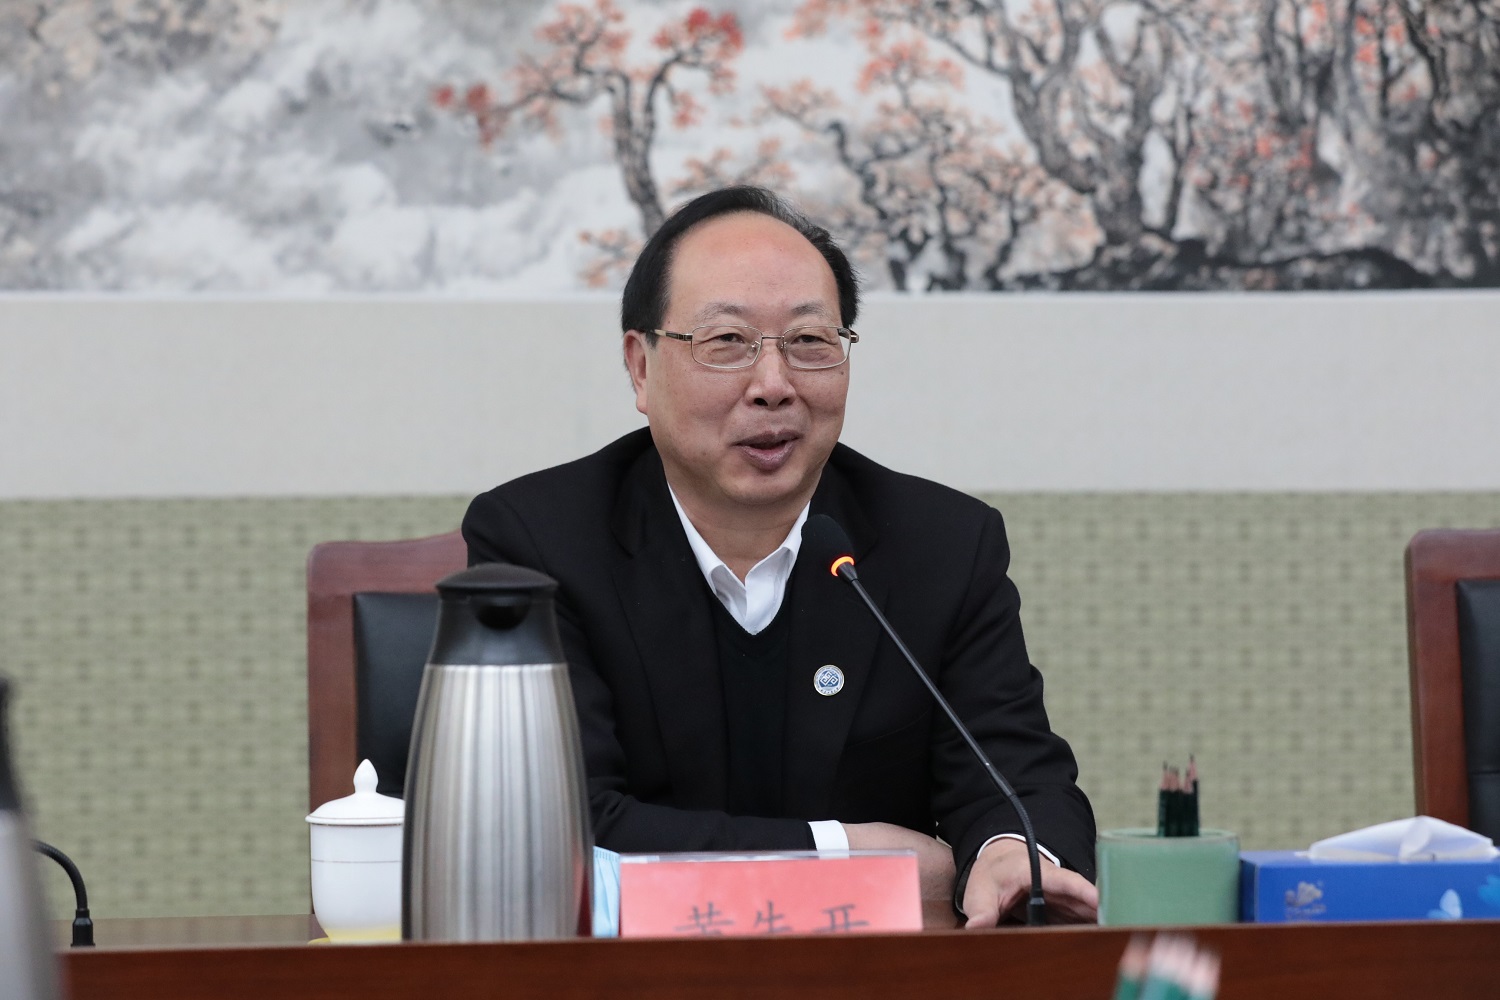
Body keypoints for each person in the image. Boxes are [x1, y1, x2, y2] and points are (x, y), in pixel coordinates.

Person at [463, 186, 1098, 925]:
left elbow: (1017, 777)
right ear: (640, 367)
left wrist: (1008, 854)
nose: (773, 386)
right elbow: (563, 826)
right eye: (727, 341)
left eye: (809, 342)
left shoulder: (943, 546)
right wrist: (842, 854)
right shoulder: (539, 542)